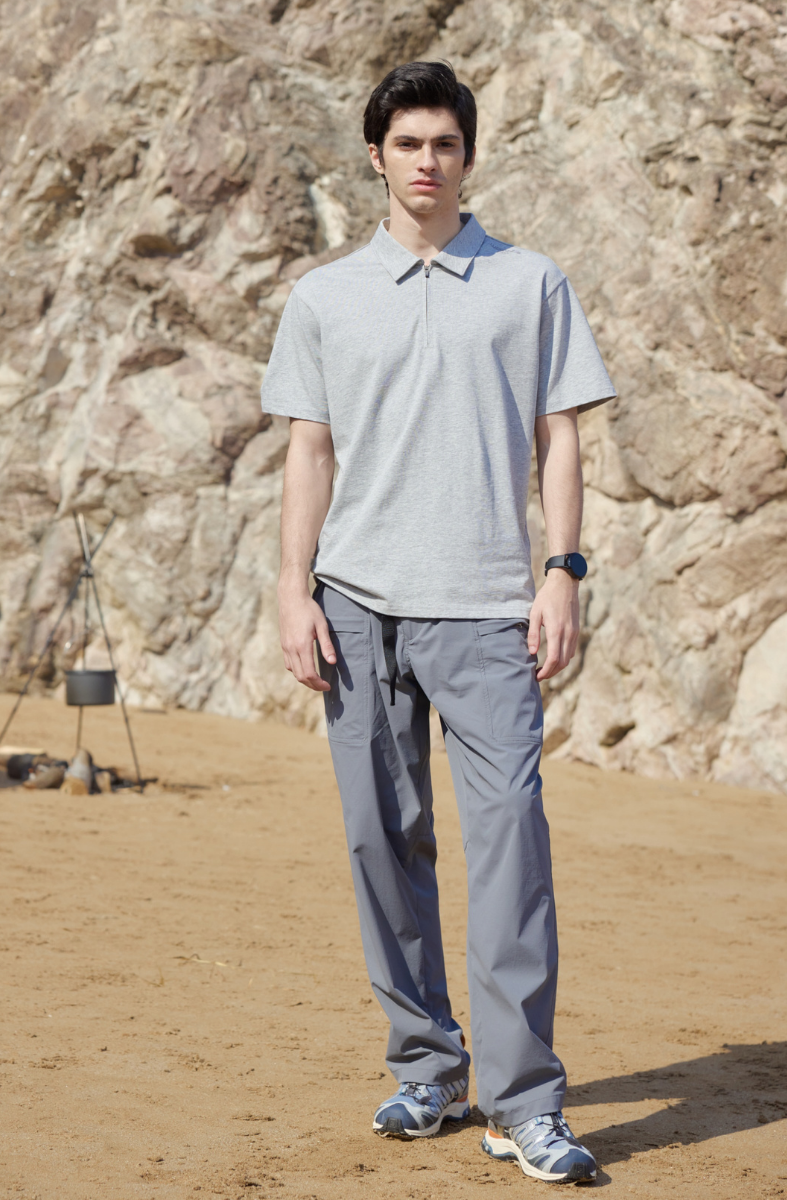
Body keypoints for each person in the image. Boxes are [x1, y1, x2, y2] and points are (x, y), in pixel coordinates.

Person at [261, 60, 615, 1186]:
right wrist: (292, 586)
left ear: (468, 154)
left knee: (511, 845)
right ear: (377, 157)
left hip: (488, 609)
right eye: (408, 143)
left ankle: (524, 1101)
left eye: (445, 143)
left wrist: (561, 570)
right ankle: (429, 1067)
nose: (428, 160)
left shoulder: (530, 283)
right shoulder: (325, 297)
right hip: (357, 608)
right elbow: (309, 450)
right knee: (382, 843)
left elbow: (561, 435)